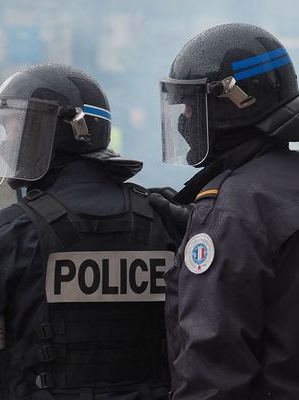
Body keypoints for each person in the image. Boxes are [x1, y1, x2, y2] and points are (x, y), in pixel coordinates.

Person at [0, 64, 178, 399]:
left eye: (15, 126)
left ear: (60, 131)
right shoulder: (166, 220)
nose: (7, 139)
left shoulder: (13, 233)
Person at [150, 23, 299, 399]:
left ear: (237, 100)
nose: (185, 119)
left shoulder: (233, 208)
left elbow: (213, 370)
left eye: (190, 105)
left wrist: (215, 227)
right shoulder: (272, 192)